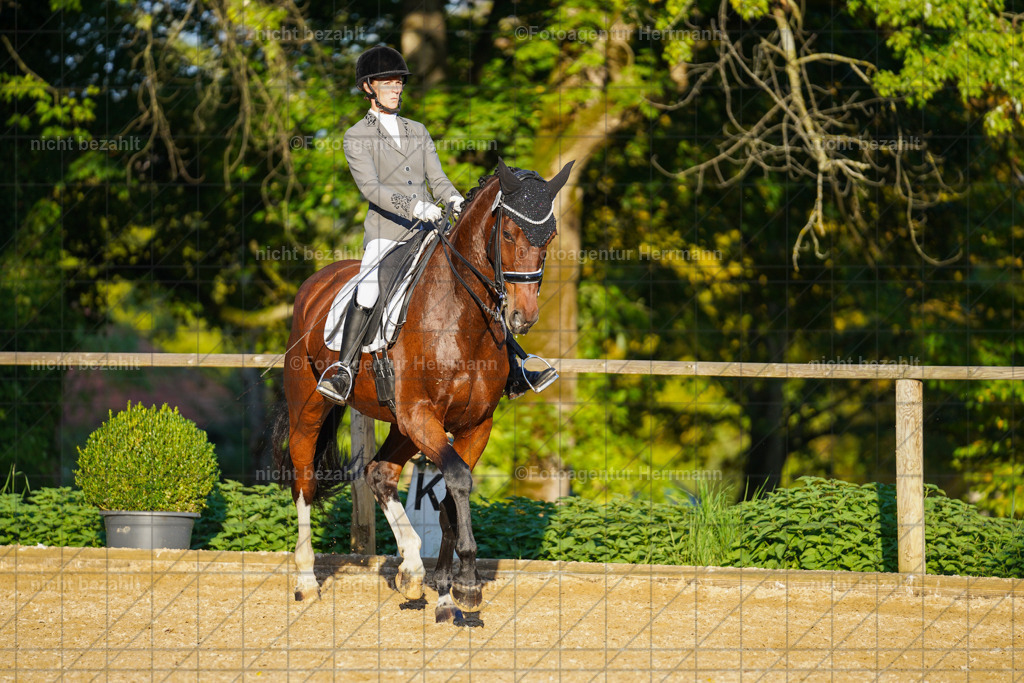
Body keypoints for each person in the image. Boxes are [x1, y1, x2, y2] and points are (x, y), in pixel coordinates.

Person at [317, 45, 555, 404]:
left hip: (430, 231)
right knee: (367, 290)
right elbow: (372, 189)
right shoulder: (356, 136)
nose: (397, 89)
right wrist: (415, 207)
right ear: (368, 88)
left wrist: (456, 200)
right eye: (388, 83)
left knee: (479, 282)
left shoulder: (418, 130)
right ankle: (344, 370)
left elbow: (438, 179)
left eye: (399, 83)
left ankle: (514, 367)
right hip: (387, 234)